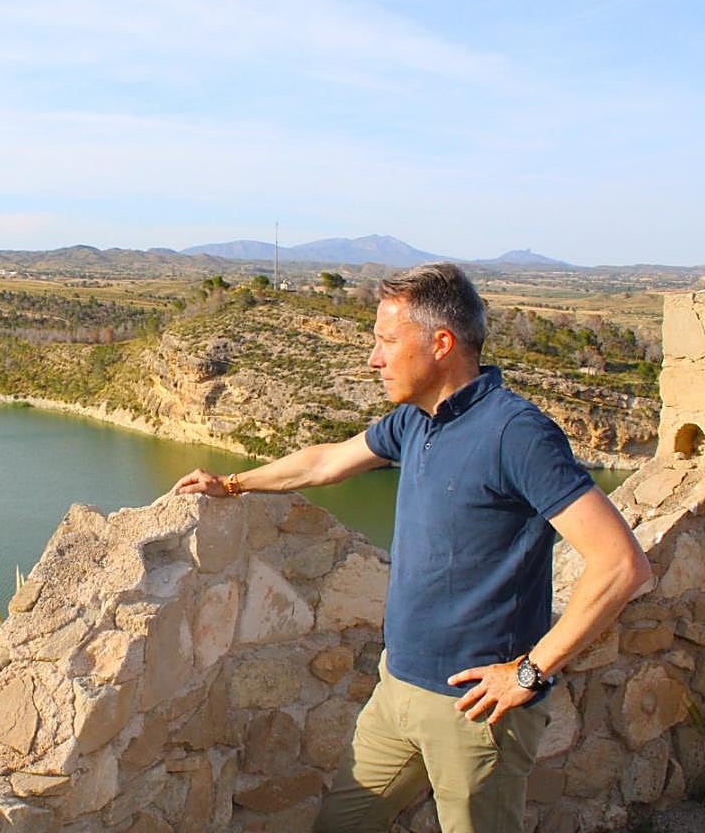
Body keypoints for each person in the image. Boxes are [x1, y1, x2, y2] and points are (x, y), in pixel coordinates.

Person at [172, 263, 650, 833]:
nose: (374, 359)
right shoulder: (414, 421)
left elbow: (621, 564)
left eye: (388, 342)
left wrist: (529, 673)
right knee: (341, 823)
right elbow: (326, 461)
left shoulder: (515, 433)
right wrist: (232, 484)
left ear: (441, 344)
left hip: (476, 710)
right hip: (396, 688)